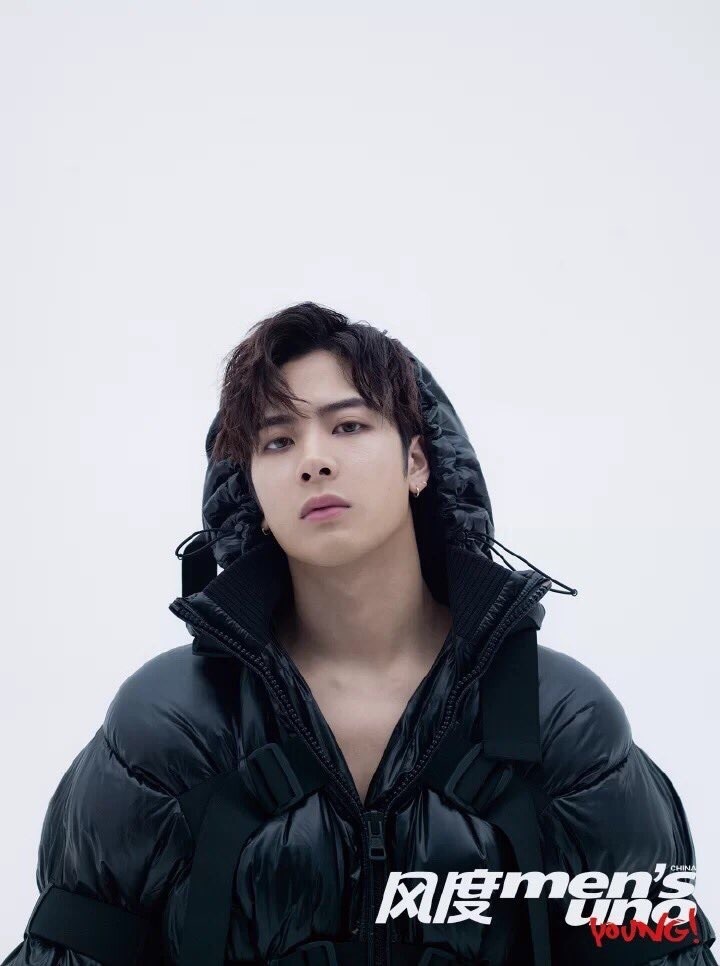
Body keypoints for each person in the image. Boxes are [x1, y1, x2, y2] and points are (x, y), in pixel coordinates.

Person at [4, 302, 716, 966]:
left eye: (348, 426)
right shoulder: (167, 727)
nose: (313, 459)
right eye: (277, 440)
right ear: (252, 489)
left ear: (417, 461)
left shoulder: (557, 718)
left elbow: (660, 950)